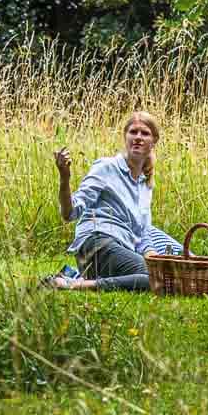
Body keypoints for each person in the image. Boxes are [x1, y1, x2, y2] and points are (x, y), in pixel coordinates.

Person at [46, 111, 164, 291]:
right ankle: (74, 285)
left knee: (160, 276)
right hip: (97, 243)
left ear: (154, 141)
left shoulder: (145, 185)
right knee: (154, 279)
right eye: (133, 132)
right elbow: (69, 213)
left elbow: (143, 236)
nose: (138, 137)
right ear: (125, 137)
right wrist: (64, 178)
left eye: (145, 133)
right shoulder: (107, 167)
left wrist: (158, 261)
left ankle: (75, 278)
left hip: (121, 250)